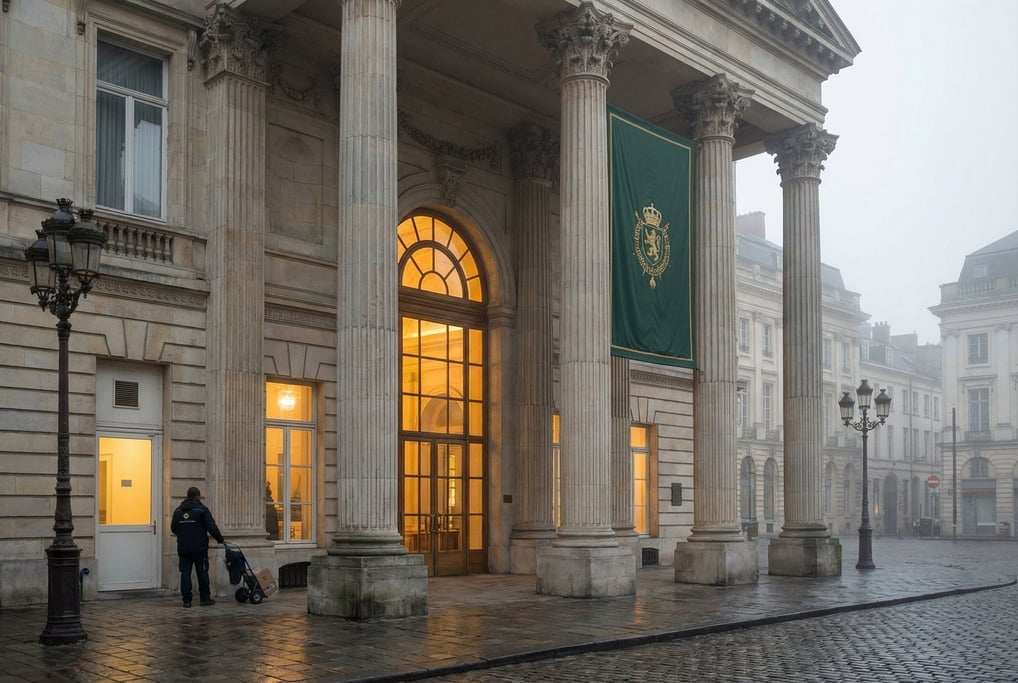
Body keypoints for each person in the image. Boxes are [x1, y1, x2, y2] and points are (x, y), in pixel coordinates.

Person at [170, 486, 225, 608]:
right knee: (202, 572)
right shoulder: (202, 510)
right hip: (199, 548)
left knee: (185, 573)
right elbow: (211, 527)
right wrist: (220, 540)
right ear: (197, 496)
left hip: (183, 548)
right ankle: (205, 599)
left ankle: (187, 601)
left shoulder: (178, 511)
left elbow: (173, 528)